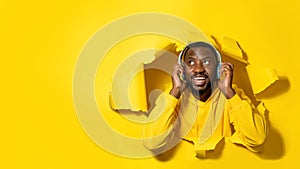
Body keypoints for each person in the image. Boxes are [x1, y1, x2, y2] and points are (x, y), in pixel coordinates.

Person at [143, 41, 267, 158]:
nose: (199, 69)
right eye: (191, 63)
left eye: (206, 62)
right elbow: (151, 143)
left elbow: (257, 138)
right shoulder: (172, 97)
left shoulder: (231, 94)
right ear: (182, 70)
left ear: (219, 69)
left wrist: (229, 93)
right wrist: (175, 91)